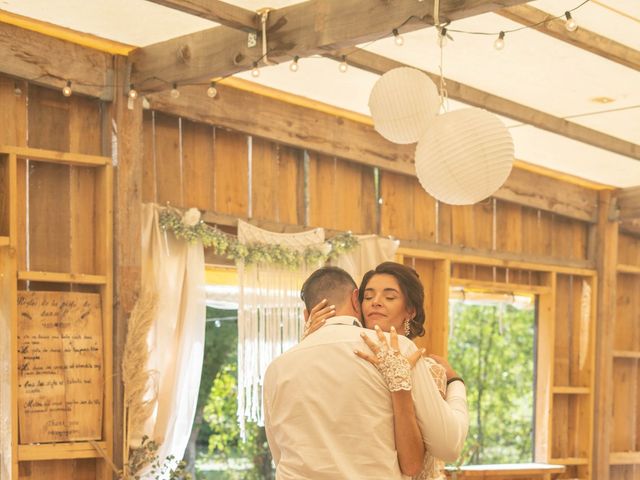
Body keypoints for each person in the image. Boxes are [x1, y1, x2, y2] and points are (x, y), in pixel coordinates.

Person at [263, 266, 468, 479]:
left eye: (389, 296)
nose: (376, 302)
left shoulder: (277, 368)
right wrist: (456, 382)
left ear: (410, 310)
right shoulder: (395, 351)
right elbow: (436, 452)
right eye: (367, 296)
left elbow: (281, 454)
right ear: (356, 301)